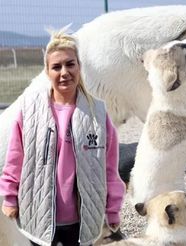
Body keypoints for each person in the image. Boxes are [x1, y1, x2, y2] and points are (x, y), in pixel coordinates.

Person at [0, 27, 125, 246]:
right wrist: (10, 196)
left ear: (79, 67)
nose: (64, 72)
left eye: (70, 64)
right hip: (39, 216)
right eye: (56, 67)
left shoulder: (98, 114)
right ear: (47, 72)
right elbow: (15, 160)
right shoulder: (29, 112)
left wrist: (112, 208)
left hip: (83, 221)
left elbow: (109, 169)